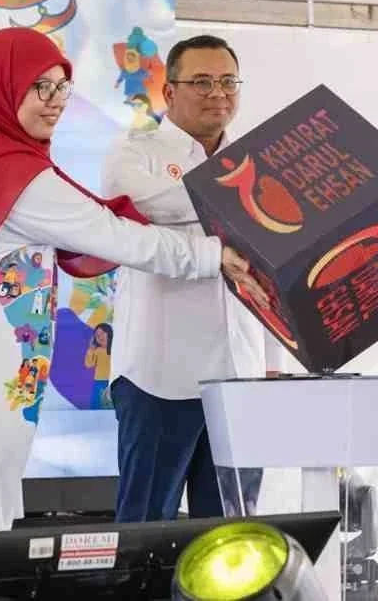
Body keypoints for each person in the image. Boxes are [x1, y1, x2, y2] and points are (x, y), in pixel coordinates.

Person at [0, 27, 267, 535]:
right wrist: (215, 253)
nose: (56, 101)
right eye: (40, 87)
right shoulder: (14, 176)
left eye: (63, 87)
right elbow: (119, 235)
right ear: (2, 87)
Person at [101, 34, 282, 522]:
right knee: (145, 526)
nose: (217, 93)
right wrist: (243, 200)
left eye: (227, 81)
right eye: (201, 81)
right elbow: (145, 209)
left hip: (242, 372)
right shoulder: (133, 150)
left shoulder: (255, 157)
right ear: (169, 92)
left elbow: (274, 263)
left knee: (232, 530)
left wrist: (273, 360)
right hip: (159, 373)